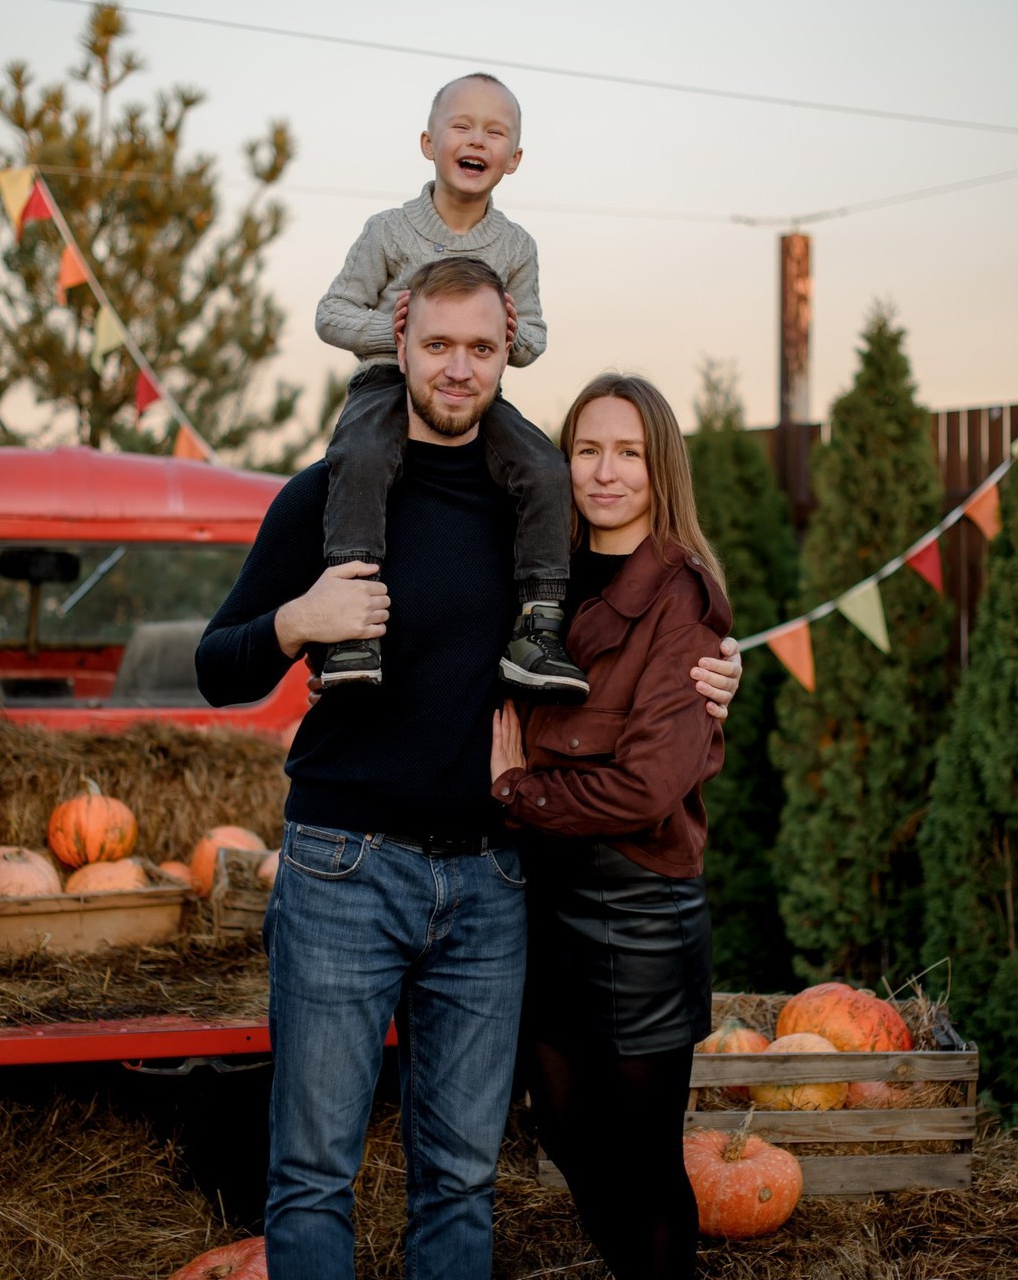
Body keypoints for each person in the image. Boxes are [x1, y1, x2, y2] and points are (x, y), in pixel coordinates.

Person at [195, 260, 740, 1280]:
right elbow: (212, 665)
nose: (458, 367)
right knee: (313, 1171)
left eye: (480, 348)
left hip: (491, 884)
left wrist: (720, 665)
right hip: (342, 869)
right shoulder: (325, 497)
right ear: (396, 343)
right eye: (437, 344)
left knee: (458, 1176)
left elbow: (645, 621)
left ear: (508, 353)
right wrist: (294, 622)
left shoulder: (536, 520)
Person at [490, 373, 732, 1279]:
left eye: (627, 451)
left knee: (643, 1165)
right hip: (543, 900)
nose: (605, 471)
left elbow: (644, 789)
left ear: (659, 464)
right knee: (560, 1127)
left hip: (637, 911)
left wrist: (517, 789)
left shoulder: (683, 598)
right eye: (587, 449)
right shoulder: (536, 574)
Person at [314, 72, 587, 700]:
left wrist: (512, 337)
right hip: (387, 380)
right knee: (360, 455)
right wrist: (399, 333)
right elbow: (331, 313)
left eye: (495, 132)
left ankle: (537, 627)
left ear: (513, 159)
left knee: (545, 466)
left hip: (474, 395)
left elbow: (535, 337)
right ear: (427, 141)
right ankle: (351, 624)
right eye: (461, 125)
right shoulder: (387, 231)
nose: (477, 139)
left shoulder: (516, 246)